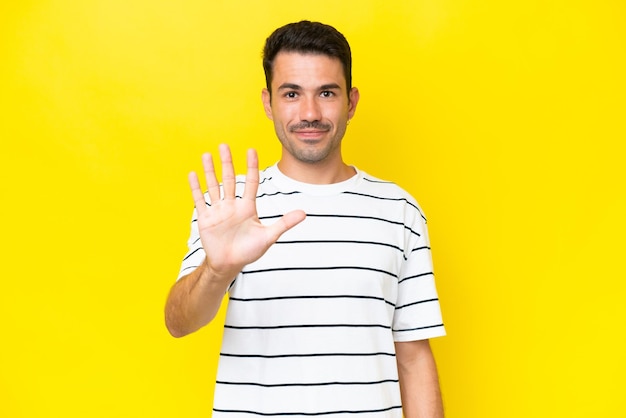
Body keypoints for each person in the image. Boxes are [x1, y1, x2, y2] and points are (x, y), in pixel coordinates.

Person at [165, 20, 446, 418]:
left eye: (327, 93)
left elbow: (414, 358)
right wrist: (217, 269)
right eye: (292, 93)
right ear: (268, 102)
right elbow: (179, 322)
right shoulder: (230, 206)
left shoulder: (400, 212)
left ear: (351, 101)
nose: (310, 113)